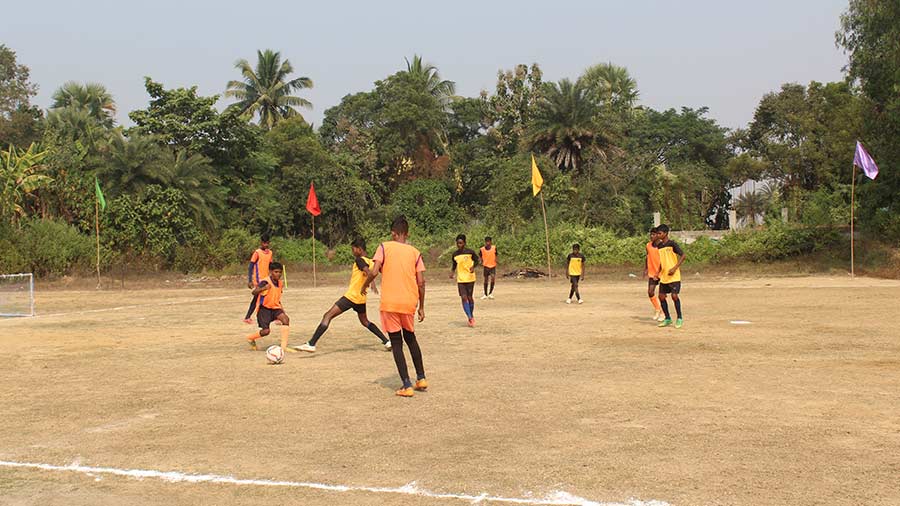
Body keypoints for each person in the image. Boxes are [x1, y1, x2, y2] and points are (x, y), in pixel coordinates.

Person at [362, 216, 427, 397]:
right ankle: (421, 378)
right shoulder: (415, 252)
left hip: (390, 302)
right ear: (407, 234)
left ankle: (406, 384)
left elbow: (374, 271)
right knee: (411, 338)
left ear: (393, 233)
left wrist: (364, 285)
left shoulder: (384, 247)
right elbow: (421, 282)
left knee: (396, 342)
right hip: (409, 303)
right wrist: (421, 306)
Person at [294, 239, 391, 353]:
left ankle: (311, 344)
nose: (352, 252)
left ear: (359, 249)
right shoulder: (371, 262)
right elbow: (370, 273)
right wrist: (372, 283)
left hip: (351, 297)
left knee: (328, 315)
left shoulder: (359, 260)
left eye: (353, 249)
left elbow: (368, 273)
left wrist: (367, 284)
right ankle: (386, 341)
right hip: (360, 299)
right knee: (365, 321)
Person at [245, 262, 296, 352]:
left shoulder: (280, 283)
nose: (278, 274)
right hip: (264, 309)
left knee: (286, 320)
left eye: (280, 272)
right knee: (266, 331)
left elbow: (277, 298)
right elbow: (254, 292)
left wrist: (282, 310)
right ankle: (250, 338)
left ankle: (283, 347)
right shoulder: (265, 282)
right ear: (271, 272)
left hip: (275, 308)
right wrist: (264, 288)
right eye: (276, 272)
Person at [654, 224, 686, 328]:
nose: (658, 235)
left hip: (674, 275)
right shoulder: (659, 246)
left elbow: (683, 255)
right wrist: (657, 272)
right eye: (657, 233)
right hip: (664, 276)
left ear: (665, 233)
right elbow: (661, 261)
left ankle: (679, 318)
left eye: (660, 233)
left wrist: (674, 268)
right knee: (661, 296)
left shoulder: (672, 244)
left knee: (674, 296)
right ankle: (667, 318)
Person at [242, 234, 273, 324]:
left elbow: (271, 265)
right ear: (261, 242)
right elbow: (250, 266)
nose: (265, 245)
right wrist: (250, 280)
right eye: (264, 243)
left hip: (267, 279)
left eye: (267, 243)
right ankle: (248, 317)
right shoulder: (257, 253)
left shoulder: (270, 253)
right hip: (259, 280)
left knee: (268, 296)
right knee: (257, 298)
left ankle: (248, 317)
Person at [450, 234, 479, 327]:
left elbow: (477, 260)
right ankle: (470, 317)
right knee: (463, 297)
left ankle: (471, 314)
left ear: (464, 243)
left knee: (470, 297)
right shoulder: (455, 254)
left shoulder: (470, 252)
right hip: (461, 279)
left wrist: (473, 267)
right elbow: (454, 265)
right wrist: (452, 272)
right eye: (458, 243)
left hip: (470, 278)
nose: (459, 245)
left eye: (461, 243)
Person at [643, 227, 664, 321]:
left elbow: (665, 260)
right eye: (650, 234)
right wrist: (646, 268)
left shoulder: (662, 246)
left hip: (662, 273)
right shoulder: (648, 245)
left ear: (658, 236)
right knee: (650, 292)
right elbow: (647, 257)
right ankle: (657, 309)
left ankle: (663, 313)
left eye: (654, 234)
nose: (651, 236)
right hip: (652, 272)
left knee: (662, 295)